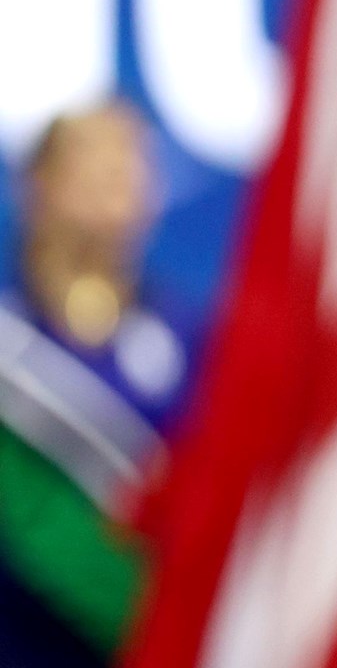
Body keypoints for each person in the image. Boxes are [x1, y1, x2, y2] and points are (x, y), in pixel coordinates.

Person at [0, 103, 196, 667]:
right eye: (95, 167)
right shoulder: (11, 342)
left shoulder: (188, 340)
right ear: (39, 185)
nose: (118, 187)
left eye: (130, 168)